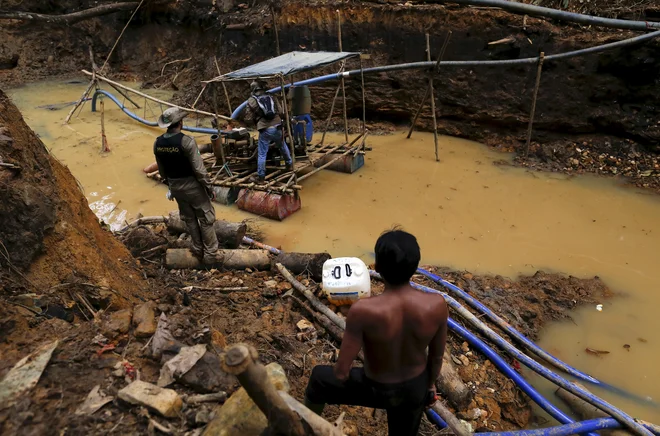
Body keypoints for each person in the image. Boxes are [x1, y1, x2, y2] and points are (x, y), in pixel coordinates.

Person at [304, 230, 449, 436]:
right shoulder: (437, 305)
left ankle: (304, 428)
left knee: (319, 377)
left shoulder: (364, 310)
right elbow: (436, 357)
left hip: (375, 388)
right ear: (415, 267)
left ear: (377, 267)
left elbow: (342, 372)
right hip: (414, 389)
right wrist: (429, 386)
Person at [154, 107, 223, 264]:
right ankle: (211, 255)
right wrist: (209, 188)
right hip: (192, 186)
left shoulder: (157, 143)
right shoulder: (187, 141)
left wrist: (171, 186)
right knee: (206, 218)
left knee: (190, 219)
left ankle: (197, 249)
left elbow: (162, 171)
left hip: (175, 187)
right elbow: (199, 170)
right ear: (180, 123)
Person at [242, 79, 293, 184]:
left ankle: (261, 177)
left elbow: (247, 118)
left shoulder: (251, 100)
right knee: (282, 145)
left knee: (262, 154)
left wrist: (255, 121)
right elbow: (280, 111)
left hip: (265, 129)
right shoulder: (271, 96)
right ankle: (289, 164)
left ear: (253, 89)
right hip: (278, 126)